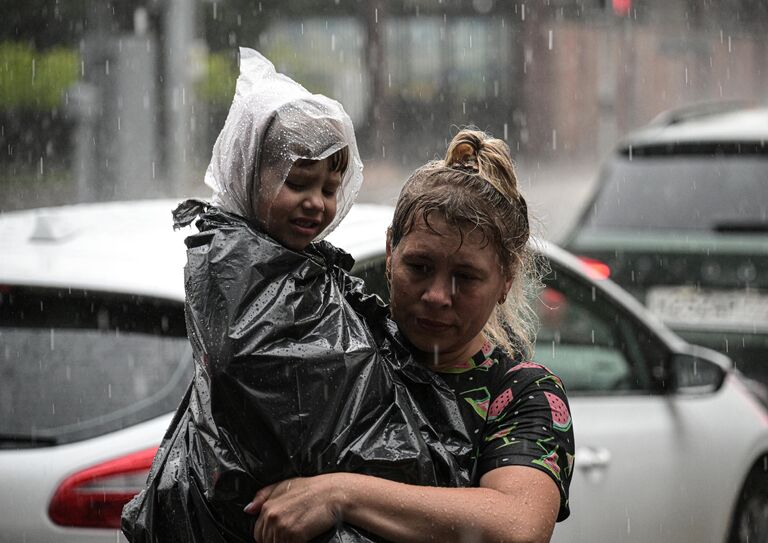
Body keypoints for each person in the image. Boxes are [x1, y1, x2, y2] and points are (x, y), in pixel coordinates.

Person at [122, 49, 475, 543]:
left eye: (330, 188)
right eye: (298, 181)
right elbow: (289, 391)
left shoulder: (300, 267)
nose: (317, 203)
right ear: (249, 172)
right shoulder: (236, 263)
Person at [244, 129, 575, 543]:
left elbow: (515, 526)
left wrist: (340, 493)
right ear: (390, 253)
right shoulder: (342, 349)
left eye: (465, 278)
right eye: (419, 267)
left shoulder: (524, 393)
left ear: (505, 280)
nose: (437, 296)